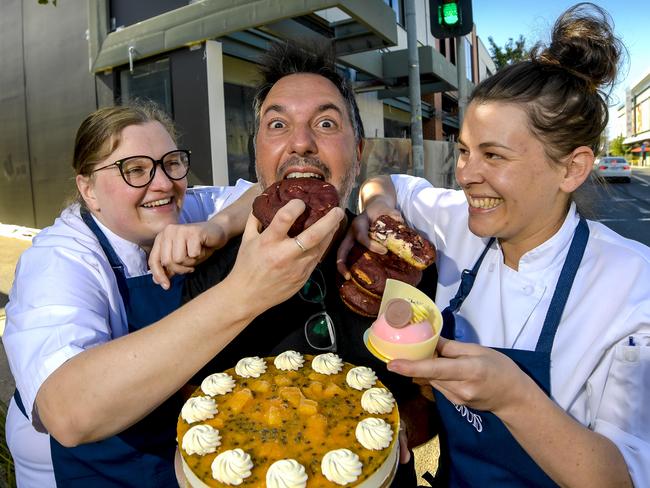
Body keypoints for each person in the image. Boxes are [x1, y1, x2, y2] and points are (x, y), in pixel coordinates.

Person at [338, 4, 649, 487]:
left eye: (493, 155)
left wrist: (511, 396)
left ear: (572, 168)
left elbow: (623, 478)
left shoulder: (632, 285)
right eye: (463, 150)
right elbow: (387, 181)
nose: (465, 175)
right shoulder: (460, 222)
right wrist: (378, 211)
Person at [3, 103, 344, 487]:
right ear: (88, 189)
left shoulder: (178, 207)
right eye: (134, 170)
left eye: (171, 162)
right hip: (93, 468)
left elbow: (263, 192)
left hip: (177, 444)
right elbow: (67, 412)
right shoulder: (58, 259)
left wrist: (215, 227)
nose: (163, 183)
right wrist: (244, 293)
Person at [183, 42, 436, 486]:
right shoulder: (210, 270)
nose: (301, 142)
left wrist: (409, 438)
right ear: (257, 153)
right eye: (278, 124)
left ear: (357, 151)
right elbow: (195, 413)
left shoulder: (398, 268)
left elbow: (428, 396)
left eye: (325, 123)